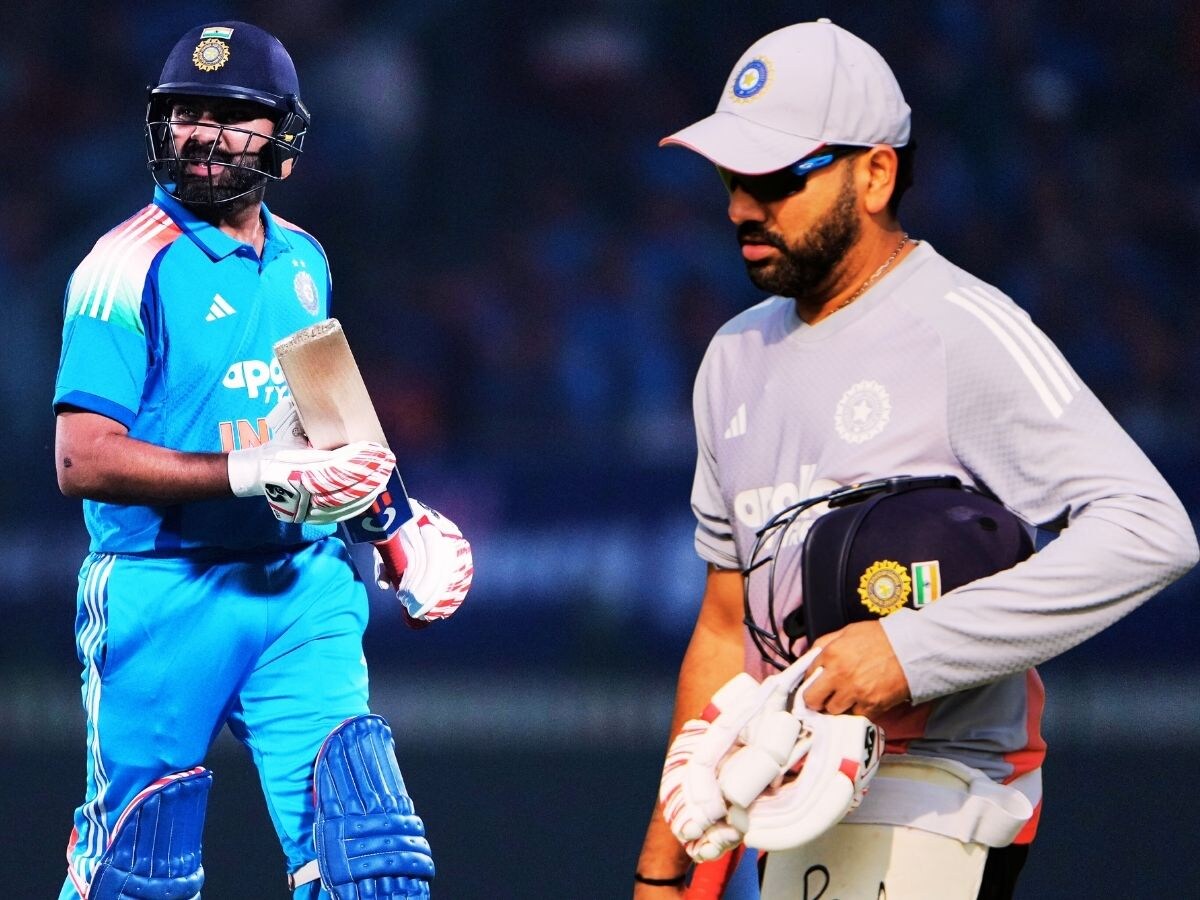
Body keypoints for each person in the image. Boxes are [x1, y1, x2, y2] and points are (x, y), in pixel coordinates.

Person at [634, 18, 1198, 900]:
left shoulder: (959, 330)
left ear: (875, 174)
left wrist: (909, 650)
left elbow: (1151, 531)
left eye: (775, 178)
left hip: (940, 804)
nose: (743, 205)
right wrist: (668, 873)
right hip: (792, 813)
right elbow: (724, 629)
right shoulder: (732, 357)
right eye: (731, 178)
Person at [53, 21, 472, 900]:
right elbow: (81, 460)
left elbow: (330, 414)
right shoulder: (122, 267)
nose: (201, 135)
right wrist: (251, 472)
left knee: (372, 864)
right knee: (136, 876)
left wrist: (395, 526)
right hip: (163, 588)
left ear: (282, 137)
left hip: (298, 587)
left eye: (230, 116)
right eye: (186, 113)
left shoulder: (303, 259)